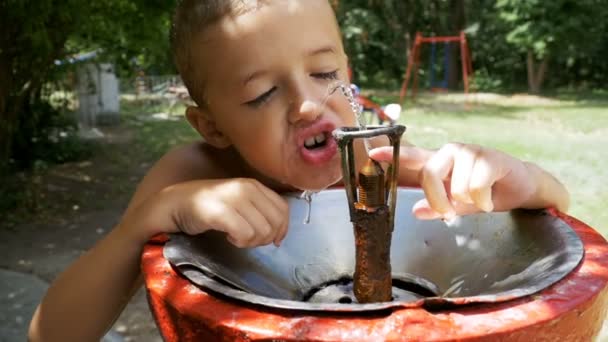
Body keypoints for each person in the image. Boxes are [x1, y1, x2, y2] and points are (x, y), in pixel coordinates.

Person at [28, 0, 569, 340]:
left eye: (324, 71)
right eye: (262, 93)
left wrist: (522, 178)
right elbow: (50, 333)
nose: (308, 104)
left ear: (348, 76)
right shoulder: (190, 176)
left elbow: (554, 221)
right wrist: (147, 218)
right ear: (212, 125)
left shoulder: (374, 162)